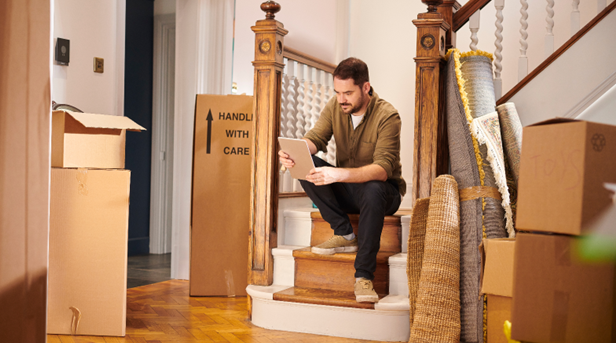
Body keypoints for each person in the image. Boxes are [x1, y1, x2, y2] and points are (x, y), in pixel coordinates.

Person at [278, 57, 405, 303]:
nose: (341, 99)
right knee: (308, 165)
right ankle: (345, 233)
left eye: (348, 93)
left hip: (384, 194)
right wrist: (296, 152)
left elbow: (382, 169)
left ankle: (364, 277)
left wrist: (338, 174)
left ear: (365, 88)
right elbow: (316, 138)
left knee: (373, 188)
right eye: (337, 92)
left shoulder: (388, 116)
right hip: (351, 191)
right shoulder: (335, 106)